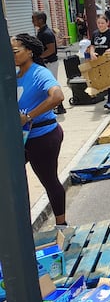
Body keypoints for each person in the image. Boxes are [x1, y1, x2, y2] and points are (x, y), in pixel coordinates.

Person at [13, 34, 68, 230]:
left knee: (49, 180)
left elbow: (58, 96)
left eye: (15, 51)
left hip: (43, 137)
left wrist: (29, 116)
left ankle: (62, 226)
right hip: (21, 139)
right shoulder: (15, 75)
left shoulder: (39, 73)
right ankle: (18, 227)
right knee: (11, 181)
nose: (12, 55)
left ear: (29, 51)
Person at [32, 11, 65, 114]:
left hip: (50, 63)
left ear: (41, 20)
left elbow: (51, 50)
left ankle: (60, 107)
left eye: (34, 19)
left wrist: (39, 57)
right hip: (45, 63)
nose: (32, 21)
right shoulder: (41, 32)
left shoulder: (47, 33)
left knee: (51, 85)